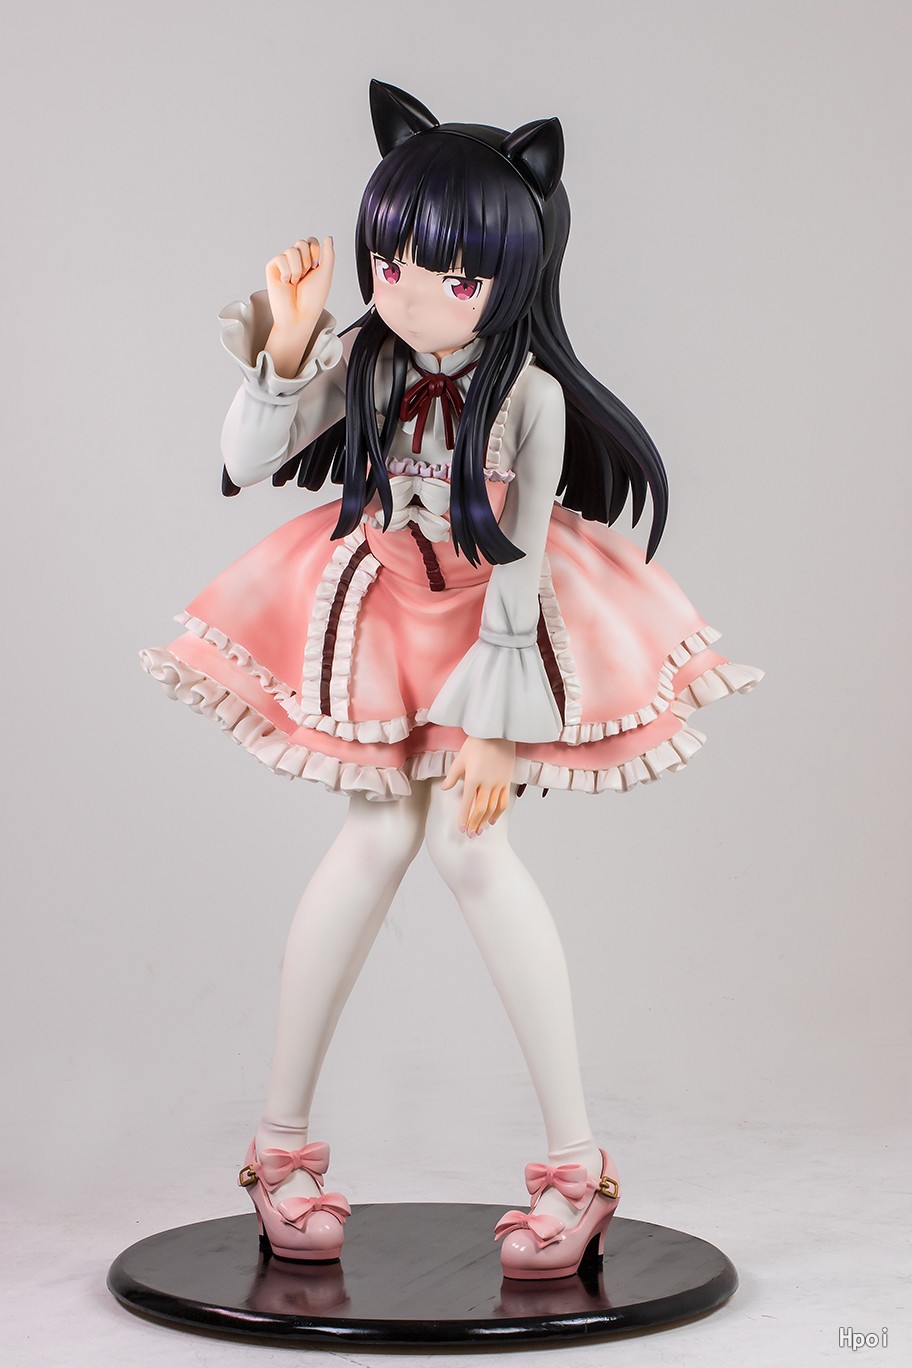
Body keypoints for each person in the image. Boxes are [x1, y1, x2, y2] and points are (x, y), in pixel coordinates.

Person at [140, 80, 763, 1279]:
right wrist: (289, 343)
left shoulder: (529, 397)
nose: (408, 290)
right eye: (390, 261)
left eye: (450, 274)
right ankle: (276, 1148)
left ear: (511, 272)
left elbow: (521, 559)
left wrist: (495, 727)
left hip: (489, 623)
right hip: (376, 612)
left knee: (474, 855)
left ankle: (578, 1168)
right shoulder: (365, 358)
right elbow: (247, 456)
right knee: (374, 842)